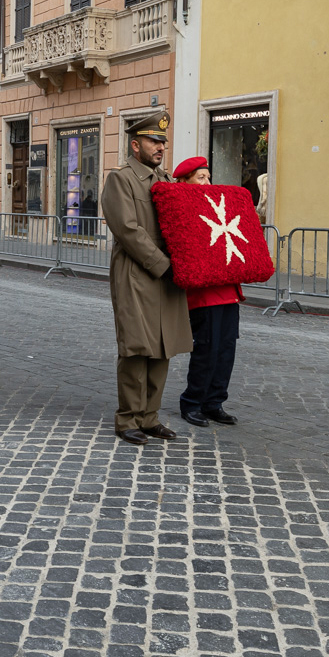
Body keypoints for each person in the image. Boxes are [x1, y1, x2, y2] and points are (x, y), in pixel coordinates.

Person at [101, 112, 192, 445]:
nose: (161, 147)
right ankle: (128, 419)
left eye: (163, 142)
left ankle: (150, 417)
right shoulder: (120, 179)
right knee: (137, 347)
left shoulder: (166, 180)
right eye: (154, 141)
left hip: (167, 275)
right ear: (135, 144)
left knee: (163, 347)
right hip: (137, 273)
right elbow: (127, 229)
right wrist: (163, 263)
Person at [169, 157, 241, 428]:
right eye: (201, 177)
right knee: (207, 348)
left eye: (208, 177)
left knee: (226, 348)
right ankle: (192, 402)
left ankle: (214, 402)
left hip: (227, 288)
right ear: (184, 181)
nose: (207, 183)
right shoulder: (183, 207)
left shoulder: (216, 205)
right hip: (204, 292)